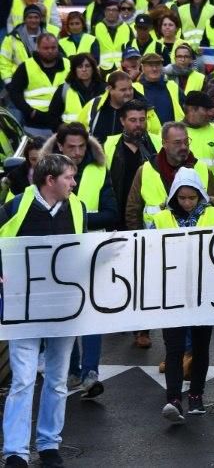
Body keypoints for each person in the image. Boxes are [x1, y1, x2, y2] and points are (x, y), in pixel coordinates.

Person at [0, 154, 86, 468]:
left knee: (57, 379)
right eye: (69, 178)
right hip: (24, 307)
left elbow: (80, 250)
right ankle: (15, 452)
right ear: (50, 180)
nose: (74, 184)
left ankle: (49, 445)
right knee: (23, 380)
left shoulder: (77, 207)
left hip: (62, 307)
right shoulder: (16, 206)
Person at [39, 123, 117, 400]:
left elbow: (111, 213)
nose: (77, 151)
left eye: (82, 146)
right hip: (59, 253)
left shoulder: (98, 170)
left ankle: (90, 372)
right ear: (59, 146)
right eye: (71, 146)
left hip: (91, 250)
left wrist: (77, 218)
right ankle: (72, 369)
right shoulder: (47, 173)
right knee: (67, 312)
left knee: (91, 313)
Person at [148, 167, 214, 424]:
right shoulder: (160, 219)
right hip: (172, 292)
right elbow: (147, 251)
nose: (187, 203)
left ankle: (196, 395)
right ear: (174, 197)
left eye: (192, 198)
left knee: (201, 346)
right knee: (174, 347)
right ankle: (173, 399)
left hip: (205, 291)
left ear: (201, 195)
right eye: (182, 198)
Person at [125, 121, 214, 230]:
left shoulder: (203, 169)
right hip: (156, 241)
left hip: (197, 240)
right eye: (177, 142)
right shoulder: (145, 170)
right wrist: (142, 241)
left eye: (186, 141)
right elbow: (132, 212)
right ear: (164, 143)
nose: (183, 146)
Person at [103, 99, 162, 233]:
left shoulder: (158, 143)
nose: (138, 124)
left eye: (142, 120)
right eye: (133, 120)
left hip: (151, 216)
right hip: (119, 216)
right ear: (123, 121)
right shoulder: (109, 145)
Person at [7, 32, 69, 136]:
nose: (50, 51)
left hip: (63, 123)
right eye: (46, 48)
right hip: (35, 124)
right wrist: (30, 112)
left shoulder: (68, 64)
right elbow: (15, 93)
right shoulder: (26, 66)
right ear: (38, 48)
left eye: (53, 48)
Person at [183, 91, 214, 194]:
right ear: (192, 109)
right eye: (206, 109)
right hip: (183, 197)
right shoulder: (174, 133)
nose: (211, 113)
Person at [49, 53, 106, 127]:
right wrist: (63, 130)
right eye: (80, 67)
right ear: (74, 70)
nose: (84, 69)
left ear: (93, 69)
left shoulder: (104, 89)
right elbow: (53, 116)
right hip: (71, 135)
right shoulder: (64, 89)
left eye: (87, 66)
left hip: (97, 135)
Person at [0, 4, 51, 87]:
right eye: (30, 17)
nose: (33, 20)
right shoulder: (12, 38)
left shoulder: (48, 37)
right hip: (18, 82)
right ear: (25, 19)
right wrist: (8, 82)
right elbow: (4, 62)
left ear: (40, 19)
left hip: (43, 83)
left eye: (36, 17)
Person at [134, 53, 185, 124]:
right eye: (150, 66)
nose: (154, 69)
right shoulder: (134, 88)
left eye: (157, 65)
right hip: (146, 134)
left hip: (173, 133)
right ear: (143, 68)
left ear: (162, 67)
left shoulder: (173, 86)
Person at [93, 0, 134, 76]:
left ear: (119, 12)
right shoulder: (97, 28)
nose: (111, 12)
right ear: (104, 12)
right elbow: (92, 50)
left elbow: (132, 48)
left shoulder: (127, 28)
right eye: (108, 10)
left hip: (123, 68)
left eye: (114, 10)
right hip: (102, 69)